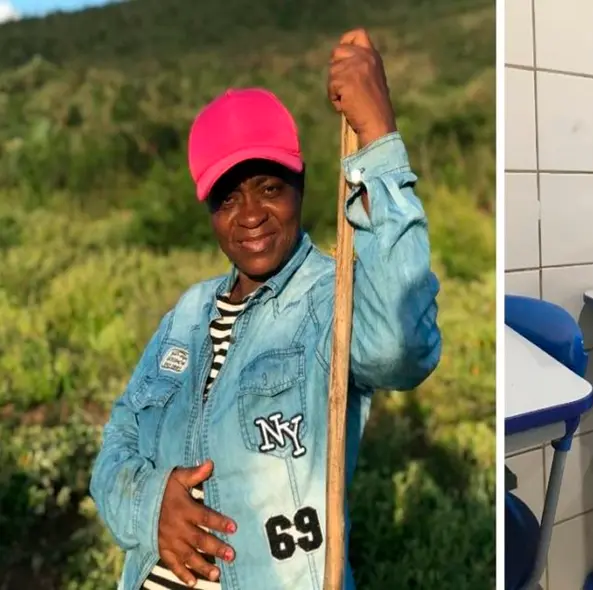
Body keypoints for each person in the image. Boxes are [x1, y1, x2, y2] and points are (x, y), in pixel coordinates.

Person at [90, 29, 441, 590]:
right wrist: (151, 505)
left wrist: (378, 138)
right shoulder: (187, 312)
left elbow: (404, 349)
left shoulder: (335, 297)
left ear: (300, 186)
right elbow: (118, 441)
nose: (249, 214)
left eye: (268, 187)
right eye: (227, 198)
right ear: (209, 212)